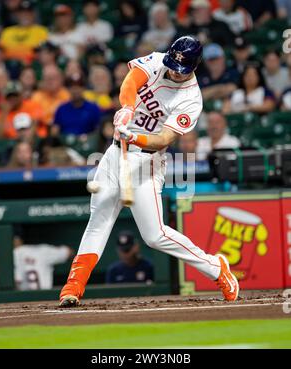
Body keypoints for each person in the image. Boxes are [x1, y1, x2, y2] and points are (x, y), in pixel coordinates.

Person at [59, 35, 239, 308]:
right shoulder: (156, 61)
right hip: (114, 154)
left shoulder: (191, 99)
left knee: (155, 236)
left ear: (194, 66)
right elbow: (131, 81)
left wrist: (134, 138)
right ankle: (73, 287)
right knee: (99, 218)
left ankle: (216, 267)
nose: (174, 73)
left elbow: (164, 140)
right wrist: (127, 109)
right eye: (173, 65)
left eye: (182, 70)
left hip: (146, 161)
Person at [0, 231, 74, 291]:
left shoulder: (21, 252)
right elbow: (69, 252)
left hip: (21, 303)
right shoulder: (38, 251)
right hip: (44, 299)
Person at [32, 65, 70, 136]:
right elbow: (36, 118)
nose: (50, 81)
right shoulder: (36, 97)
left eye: (53, 78)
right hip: (41, 135)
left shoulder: (67, 96)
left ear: (61, 79)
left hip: (63, 133)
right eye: (47, 78)